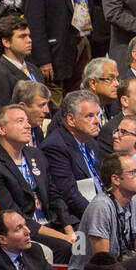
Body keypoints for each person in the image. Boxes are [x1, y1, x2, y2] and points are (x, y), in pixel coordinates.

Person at [0, 104, 75, 259]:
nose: (28, 126)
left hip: (51, 221)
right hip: (23, 229)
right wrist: (64, 238)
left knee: (85, 237)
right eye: (20, 121)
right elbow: (12, 212)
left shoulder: (36, 155)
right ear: (1, 129)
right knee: (65, 247)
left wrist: (69, 231)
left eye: (27, 121)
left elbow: (55, 196)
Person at [70, 153, 136, 270]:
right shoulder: (101, 207)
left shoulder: (134, 200)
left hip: (118, 267)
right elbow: (102, 262)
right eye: (134, 172)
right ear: (116, 179)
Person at [39, 89, 104, 221]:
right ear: (71, 120)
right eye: (89, 116)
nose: (97, 121)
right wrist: (100, 217)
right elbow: (70, 195)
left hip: (99, 207)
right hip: (77, 218)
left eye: (97, 115)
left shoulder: (92, 143)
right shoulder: (55, 147)